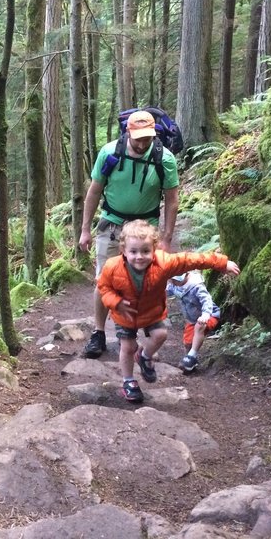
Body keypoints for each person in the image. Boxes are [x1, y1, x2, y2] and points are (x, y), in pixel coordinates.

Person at [97, 220, 240, 402]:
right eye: (133, 252)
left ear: (154, 248)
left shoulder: (164, 262)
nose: (139, 257)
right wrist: (116, 302)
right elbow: (104, 287)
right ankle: (129, 382)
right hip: (125, 314)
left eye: (145, 251)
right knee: (127, 347)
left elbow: (191, 259)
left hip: (151, 310)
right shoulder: (112, 266)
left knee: (161, 334)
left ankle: (144, 356)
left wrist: (221, 263)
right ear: (123, 250)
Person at [78, 110, 179, 359]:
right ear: (127, 132)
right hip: (112, 224)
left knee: (148, 282)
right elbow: (94, 191)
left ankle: (146, 334)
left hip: (147, 228)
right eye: (138, 138)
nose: (143, 143)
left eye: (148, 138)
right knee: (104, 279)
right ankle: (99, 333)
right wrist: (85, 230)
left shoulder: (164, 158)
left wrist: (166, 238)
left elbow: (172, 200)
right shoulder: (109, 153)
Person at [167, 270, 222, 373]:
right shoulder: (175, 285)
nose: (172, 283)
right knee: (188, 343)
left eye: (174, 281)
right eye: (171, 281)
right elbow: (165, 291)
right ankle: (189, 363)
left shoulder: (196, 286)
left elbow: (207, 300)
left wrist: (205, 314)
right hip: (191, 319)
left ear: (184, 277)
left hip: (209, 316)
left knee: (199, 326)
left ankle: (192, 355)